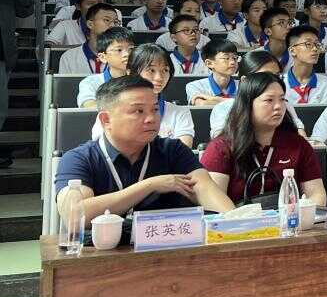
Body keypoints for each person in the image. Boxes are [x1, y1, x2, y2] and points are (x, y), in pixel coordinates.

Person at [56, 75, 232, 223]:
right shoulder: (79, 158)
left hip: (165, 247)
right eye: (138, 111)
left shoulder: (173, 150)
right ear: (106, 120)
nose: (151, 119)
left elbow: (205, 189)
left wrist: (236, 222)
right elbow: (75, 216)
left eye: (155, 109)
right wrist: (149, 185)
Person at [200, 72, 327, 205]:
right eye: (269, 100)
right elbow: (213, 202)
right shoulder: (221, 147)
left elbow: (318, 195)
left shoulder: (298, 144)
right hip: (238, 217)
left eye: (282, 99)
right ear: (248, 104)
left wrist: (300, 210)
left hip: (288, 216)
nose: (278, 106)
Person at [76, 28, 135, 108]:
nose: (127, 54)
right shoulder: (91, 82)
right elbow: (89, 105)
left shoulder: (142, 79)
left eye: (131, 49)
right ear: (103, 57)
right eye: (119, 50)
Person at [56, 3, 121, 75]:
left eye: (116, 22)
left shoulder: (123, 56)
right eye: (107, 20)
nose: (112, 25)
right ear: (90, 24)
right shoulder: (69, 57)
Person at [282, 25, 327, 106]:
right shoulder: (279, 83)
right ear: (292, 51)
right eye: (308, 44)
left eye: (317, 44)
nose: (315, 49)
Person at [185, 38, 241, 105]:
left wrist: (213, 99)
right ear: (209, 63)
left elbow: (249, 105)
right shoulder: (195, 86)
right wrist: (237, 102)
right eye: (226, 58)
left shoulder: (243, 86)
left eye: (235, 58)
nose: (232, 62)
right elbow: (202, 104)